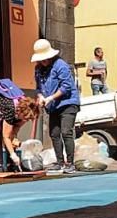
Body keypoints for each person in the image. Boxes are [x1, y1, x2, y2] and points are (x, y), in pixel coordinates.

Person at [33, 38, 81, 173]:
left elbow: (66, 86)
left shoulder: (61, 65)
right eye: (41, 60)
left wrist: (51, 97)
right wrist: (41, 96)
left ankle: (70, 162)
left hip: (67, 103)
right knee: (54, 133)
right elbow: (38, 87)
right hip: (52, 105)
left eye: (45, 59)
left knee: (66, 132)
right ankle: (59, 162)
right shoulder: (38, 69)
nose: (43, 62)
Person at [0, 85, 42, 171]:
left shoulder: (22, 115)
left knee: (12, 138)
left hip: (4, 111)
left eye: (29, 119)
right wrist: (13, 155)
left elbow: (13, 133)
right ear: (21, 112)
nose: (26, 121)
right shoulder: (11, 109)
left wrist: (14, 140)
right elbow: (6, 136)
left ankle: (12, 164)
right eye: (26, 118)